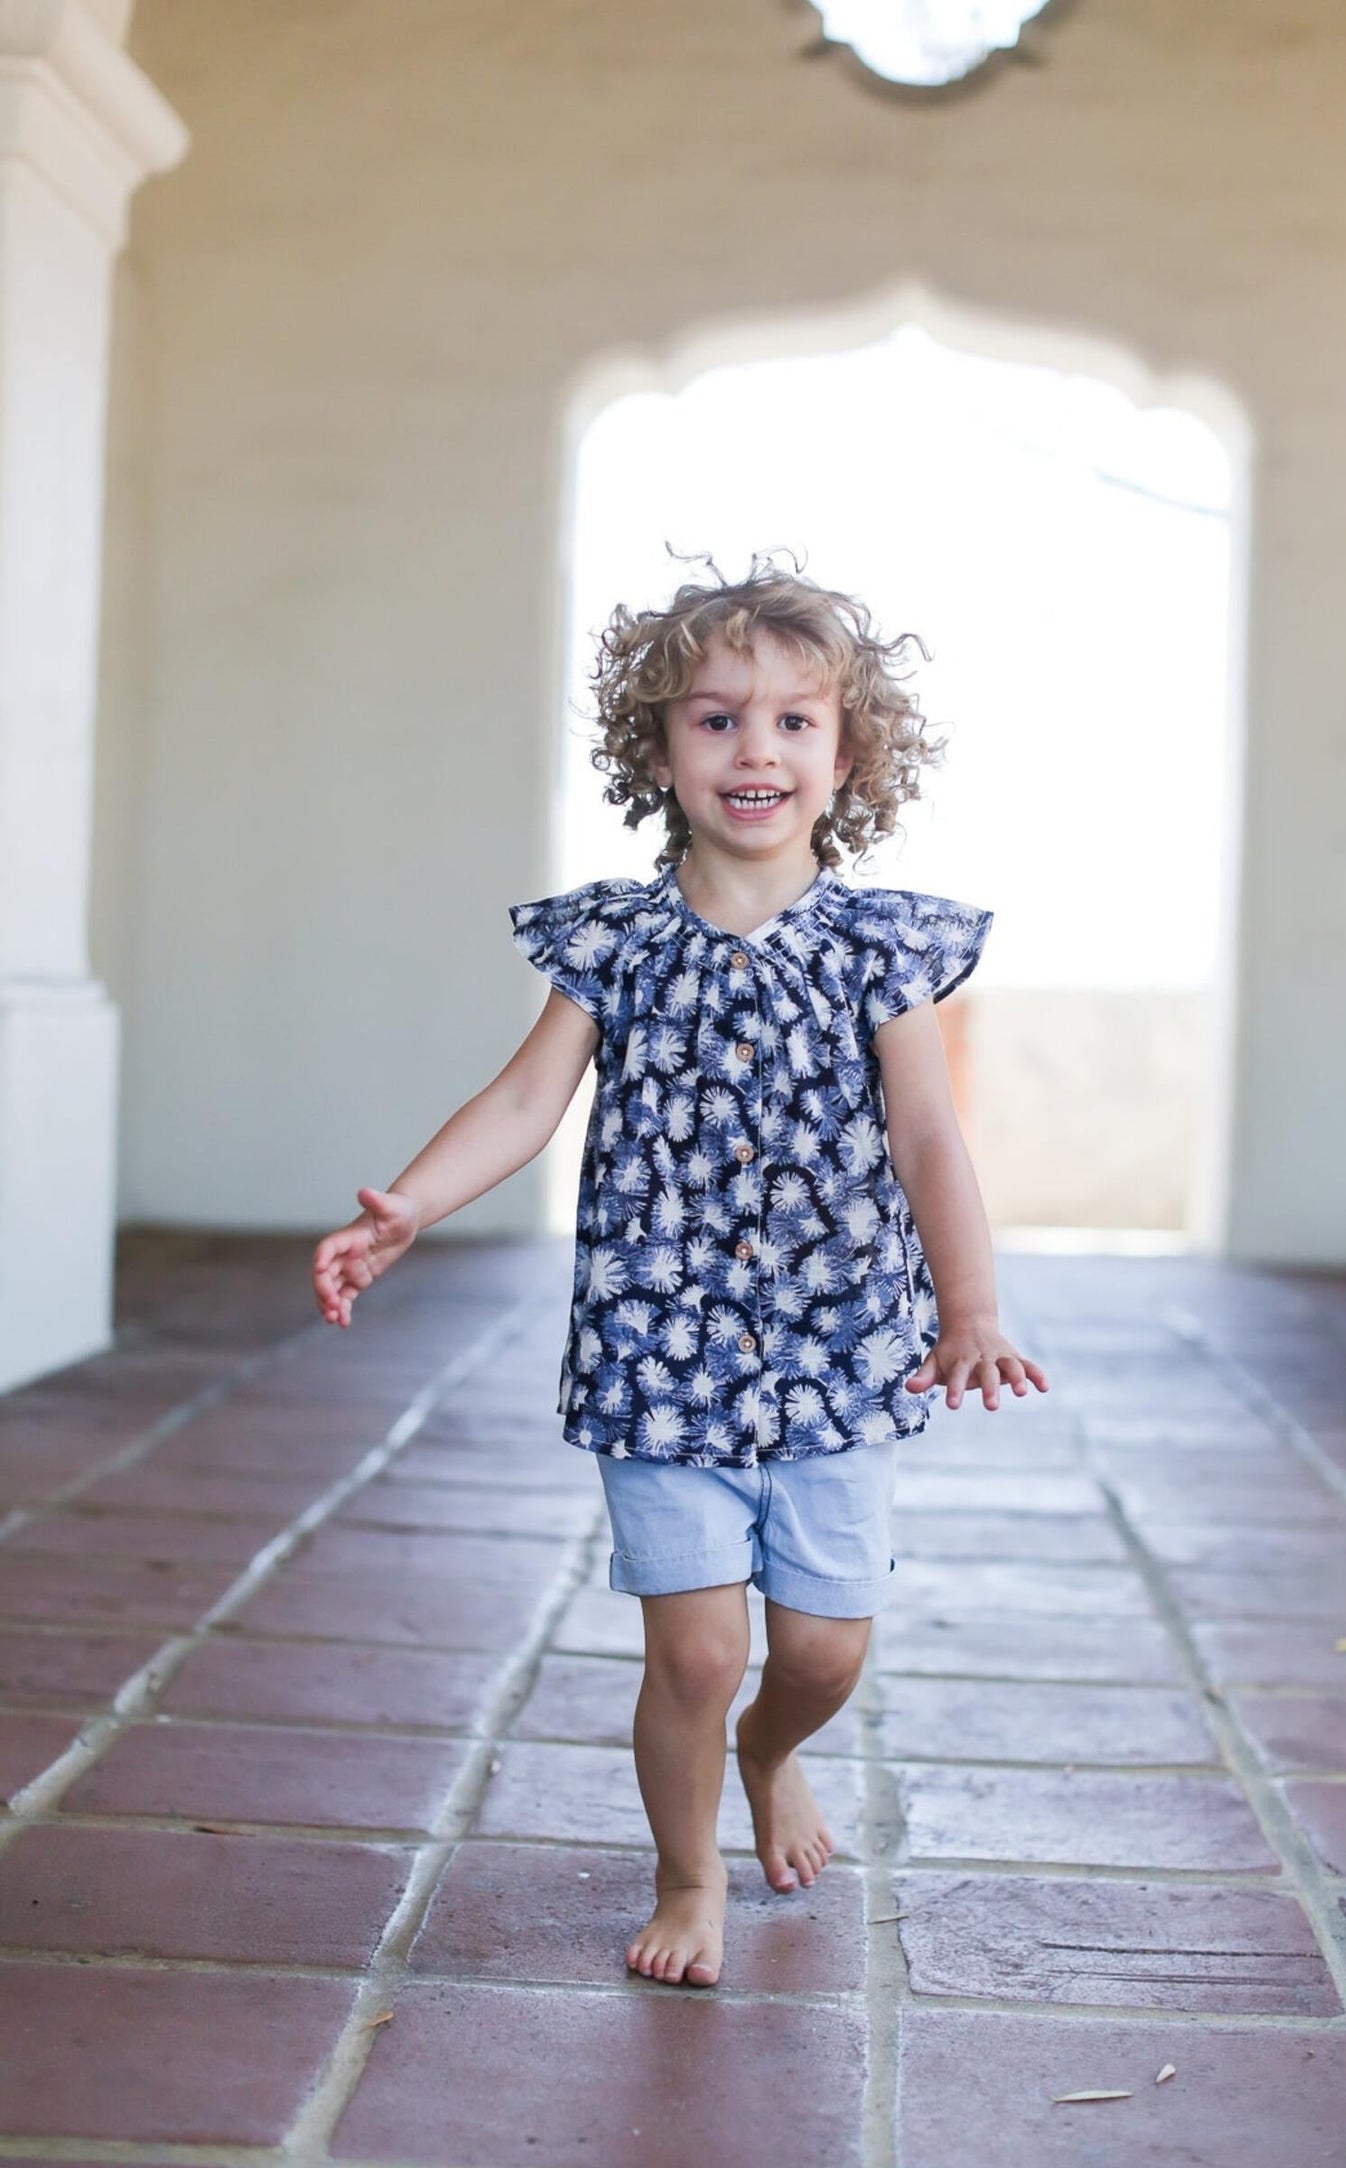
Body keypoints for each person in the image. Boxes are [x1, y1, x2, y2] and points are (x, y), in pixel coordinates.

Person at [312, 552, 1049, 1990]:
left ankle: (775, 1758)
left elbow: (926, 1135)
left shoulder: (881, 949)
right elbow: (526, 1102)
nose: (752, 749)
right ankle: (684, 1872)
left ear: (847, 758)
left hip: (840, 1352)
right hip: (661, 1356)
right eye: (713, 720)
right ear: (657, 750)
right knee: (696, 1657)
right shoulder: (616, 939)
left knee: (820, 1653)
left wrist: (967, 1310)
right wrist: (408, 1201)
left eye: (791, 722)